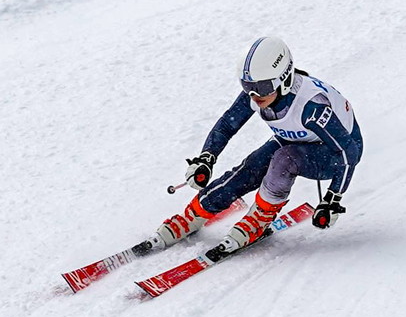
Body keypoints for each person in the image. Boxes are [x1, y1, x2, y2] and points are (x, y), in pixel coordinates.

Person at [153, 36, 363, 254]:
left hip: (334, 154)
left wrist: (332, 199)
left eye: (261, 87)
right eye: (247, 86)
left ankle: (259, 219)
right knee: (251, 167)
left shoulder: (311, 107)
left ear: (284, 80)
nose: (254, 95)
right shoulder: (259, 94)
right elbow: (227, 124)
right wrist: (206, 158)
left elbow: (349, 152)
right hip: (298, 137)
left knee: (284, 159)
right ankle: (195, 215)